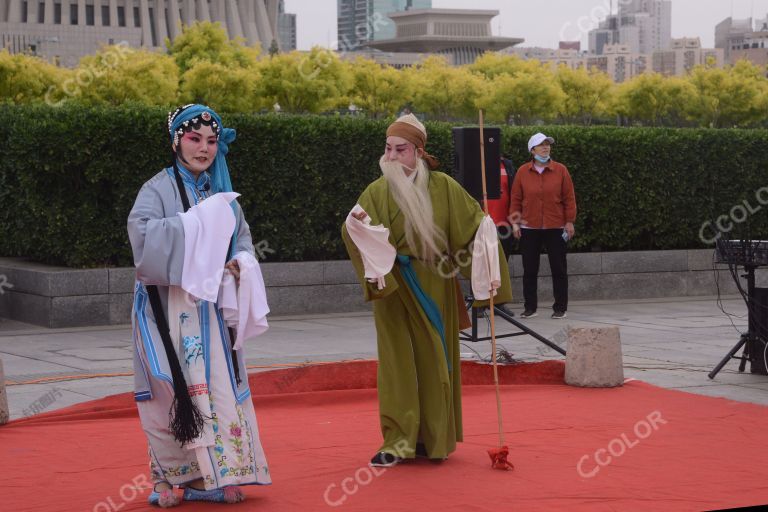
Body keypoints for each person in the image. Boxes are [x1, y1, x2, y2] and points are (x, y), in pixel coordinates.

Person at [341, 114, 512, 467]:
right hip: (393, 285)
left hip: (436, 280)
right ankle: (397, 441)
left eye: (400, 149)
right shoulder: (376, 191)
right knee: (396, 362)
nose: (391, 157)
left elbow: (473, 228)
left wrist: (485, 230)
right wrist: (355, 228)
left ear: (419, 151)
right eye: (387, 149)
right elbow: (355, 230)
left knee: (436, 357)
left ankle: (434, 440)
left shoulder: (445, 187)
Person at [127, 104, 271, 507]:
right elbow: (141, 239)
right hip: (166, 307)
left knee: (215, 388)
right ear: (176, 141)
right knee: (171, 390)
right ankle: (165, 479)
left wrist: (238, 264)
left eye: (211, 141)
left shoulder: (221, 195)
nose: (203, 148)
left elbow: (243, 241)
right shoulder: (156, 189)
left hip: (208, 311)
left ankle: (212, 476)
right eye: (194, 139)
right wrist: (195, 227)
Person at [510, 132, 577, 320]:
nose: (546, 147)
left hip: (556, 227)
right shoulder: (523, 172)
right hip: (529, 227)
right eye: (541, 145)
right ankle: (530, 307)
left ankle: (560, 307)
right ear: (532, 150)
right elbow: (516, 198)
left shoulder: (561, 170)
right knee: (529, 269)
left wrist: (569, 221)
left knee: (559, 268)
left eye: (548, 144)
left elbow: (569, 198)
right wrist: (515, 223)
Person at [485, 157, 517, 316]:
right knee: (481, 264)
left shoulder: (507, 165)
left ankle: (499, 303)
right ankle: (480, 303)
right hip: (483, 223)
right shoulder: (477, 164)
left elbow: (515, 192)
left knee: (501, 265)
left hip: (505, 225)